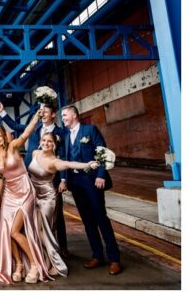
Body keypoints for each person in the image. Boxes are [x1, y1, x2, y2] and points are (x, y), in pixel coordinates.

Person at [0, 102, 69, 257]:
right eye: (41, 111)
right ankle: (36, 246)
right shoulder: (35, 128)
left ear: (52, 114)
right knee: (33, 213)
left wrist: (63, 179)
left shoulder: (61, 133)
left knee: (57, 215)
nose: (42, 114)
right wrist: (2, 112)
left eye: (45, 111)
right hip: (31, 176)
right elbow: (16, 126)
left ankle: (61, 247)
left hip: (51, 178)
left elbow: (63, 156)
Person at [60, 105, 122, 275]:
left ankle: (114, 258)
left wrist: (101, 174)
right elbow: (65, 160)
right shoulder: (65, 136)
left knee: (101, 218)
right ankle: (97, 255)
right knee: (87, 221)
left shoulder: (90, 129)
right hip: (76, 184)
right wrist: (64, 179)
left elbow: (102, 151)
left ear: (74, 115)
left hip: (92, 181)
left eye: (65, 115)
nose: (63, 118)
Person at [0, 111, 50, 284]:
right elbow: (0, 180)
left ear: (4, 136)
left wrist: (36, 117)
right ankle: (18, 265)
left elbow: (26, 133)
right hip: (8, 193)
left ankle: (34, 264)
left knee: (15, 230)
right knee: (7, 232)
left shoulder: (13, 146)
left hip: (24, 190)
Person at [29, 131, 99, 278]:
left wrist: (87, 164)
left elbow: (69, 164)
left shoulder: (55, 161)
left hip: (48, 198)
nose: (46, 143)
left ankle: (55, 263)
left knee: (46, 231)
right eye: (44, 140)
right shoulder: (35, 152)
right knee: (35, 229)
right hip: (33, 196)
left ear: (54, 144)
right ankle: (43, 259)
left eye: (49, 141)